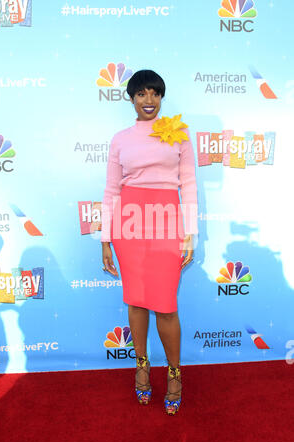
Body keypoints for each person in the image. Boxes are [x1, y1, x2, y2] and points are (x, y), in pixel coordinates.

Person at [101, 69, 198, 415]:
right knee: (137, 301)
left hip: (167, 222)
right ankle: (141, 367)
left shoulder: (179, 134)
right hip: (129, 224)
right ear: (131, 98)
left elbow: (188, 185)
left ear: (161, 98)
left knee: (166, 305)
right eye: (141, 94)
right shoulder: (121, 138)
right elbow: (112, 190)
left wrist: (191, 233)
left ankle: (174, 374)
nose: (149, 100)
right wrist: (105, 240)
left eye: (155, 93)